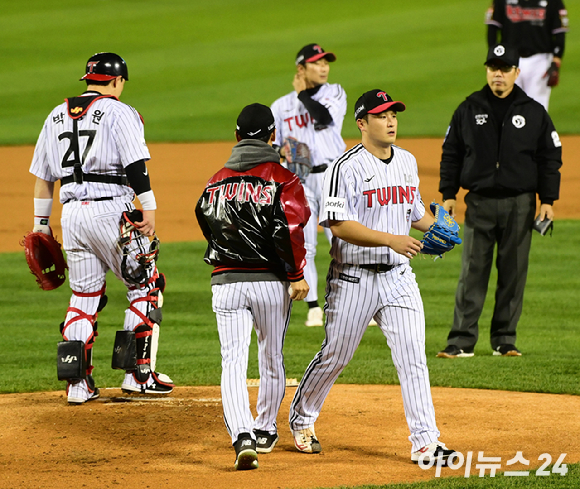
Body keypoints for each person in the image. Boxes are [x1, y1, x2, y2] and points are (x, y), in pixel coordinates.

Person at [288, 89, 457, 464]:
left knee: (413, 356)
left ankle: (426, 442)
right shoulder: (344, 167)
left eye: (394, 114)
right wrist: (391, 240)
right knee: (336, 355)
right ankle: (302, 418)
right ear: (362, 123)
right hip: (352, 278)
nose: (391, 121)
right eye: (381, 115)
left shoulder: (407, 162)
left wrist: (437, 228)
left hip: (398, 276)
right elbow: (337, 224)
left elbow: (413, 212)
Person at [29, 52, 174, 404]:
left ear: (89, 79)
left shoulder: (56, 114)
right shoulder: (119, 111)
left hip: (72, 215)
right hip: (112, 210)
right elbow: (136, 164)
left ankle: (77, 386)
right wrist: (150, 207)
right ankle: (137, 375)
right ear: (117, 81)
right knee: (146, 284)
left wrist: (41, 226)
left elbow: (43, 178)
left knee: (83, 296)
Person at [195, 103, 311, 470]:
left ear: (236, 136)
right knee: (270, 355)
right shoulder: (284, 178)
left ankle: (241, 436)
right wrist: (296, 275)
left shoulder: (215, 179)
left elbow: (205, 220)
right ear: (272, 136)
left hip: (225, 283)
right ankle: (264, 430)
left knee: (232, 361)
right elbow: (290, 229)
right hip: (270, 283)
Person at [437, 44, 562, 359]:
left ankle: (504, 341)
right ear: (487, 71)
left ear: (516, 73)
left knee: (514, 273)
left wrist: (548, 199)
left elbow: (550, 158)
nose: (499, 75)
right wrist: (448, 194)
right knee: (472, 272)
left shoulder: (534, 112)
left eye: (505, 69)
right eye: (494, 68)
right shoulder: (468, 108)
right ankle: (462, 341)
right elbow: (451, 152)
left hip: (520, 204)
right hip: (478, 203)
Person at [271, 43, 347, 327]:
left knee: (341, 241)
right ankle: (314, 307)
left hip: (331, 177)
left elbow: (324, 118)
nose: (324, 67)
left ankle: (348, 302)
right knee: (307, 245)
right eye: (317, 63)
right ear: (301, 68)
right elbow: (272, 146)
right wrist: (281, 153)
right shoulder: (280, 106)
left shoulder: (335, 93)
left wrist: (303, 93)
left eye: (326, 62)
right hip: (299, 182)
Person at [485, 0, 569, 110]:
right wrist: (495, 58)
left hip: (540, 61)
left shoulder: (553, 2)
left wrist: (556, 60)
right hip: (509, 62)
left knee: (537, 109)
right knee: (507, 108)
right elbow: (492, 28)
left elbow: (559, 34)